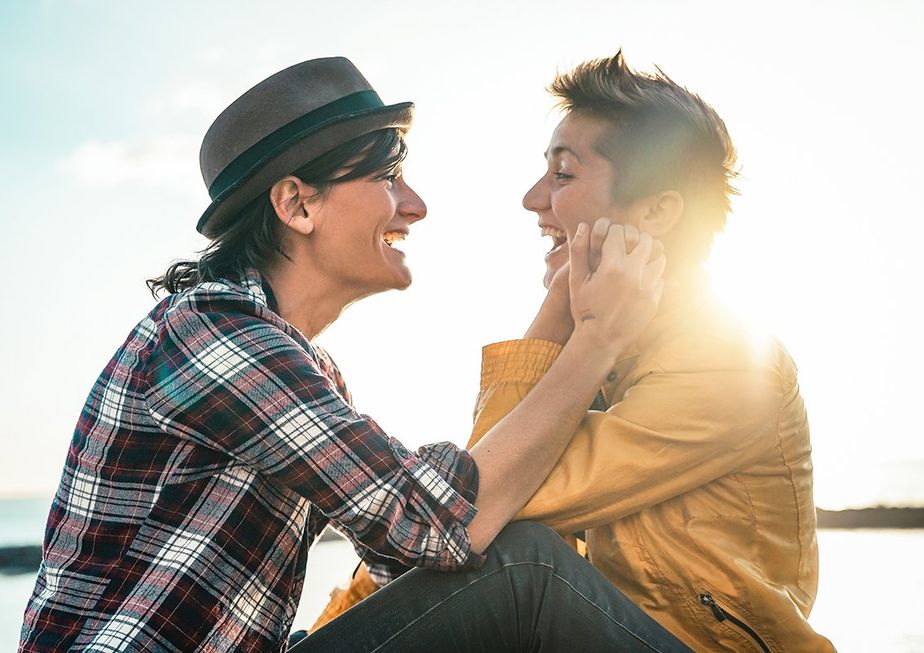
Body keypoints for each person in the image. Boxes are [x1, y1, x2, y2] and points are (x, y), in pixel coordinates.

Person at [18, 58, 691, 653]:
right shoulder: (213, 335)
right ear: (297, 203)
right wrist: (597, 337)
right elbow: (441, 520)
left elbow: (408, 553)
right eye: (388, 178)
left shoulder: (299, 365)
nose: (416, 206)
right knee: (527, 572)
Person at [316, 53, 837, 652]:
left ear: (658, 211)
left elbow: (479, 513)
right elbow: (458, 519)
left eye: (563, 175)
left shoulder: (726, 364)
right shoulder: (604, 355)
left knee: (523, 564)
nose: (533, 198)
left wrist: (563, 312)